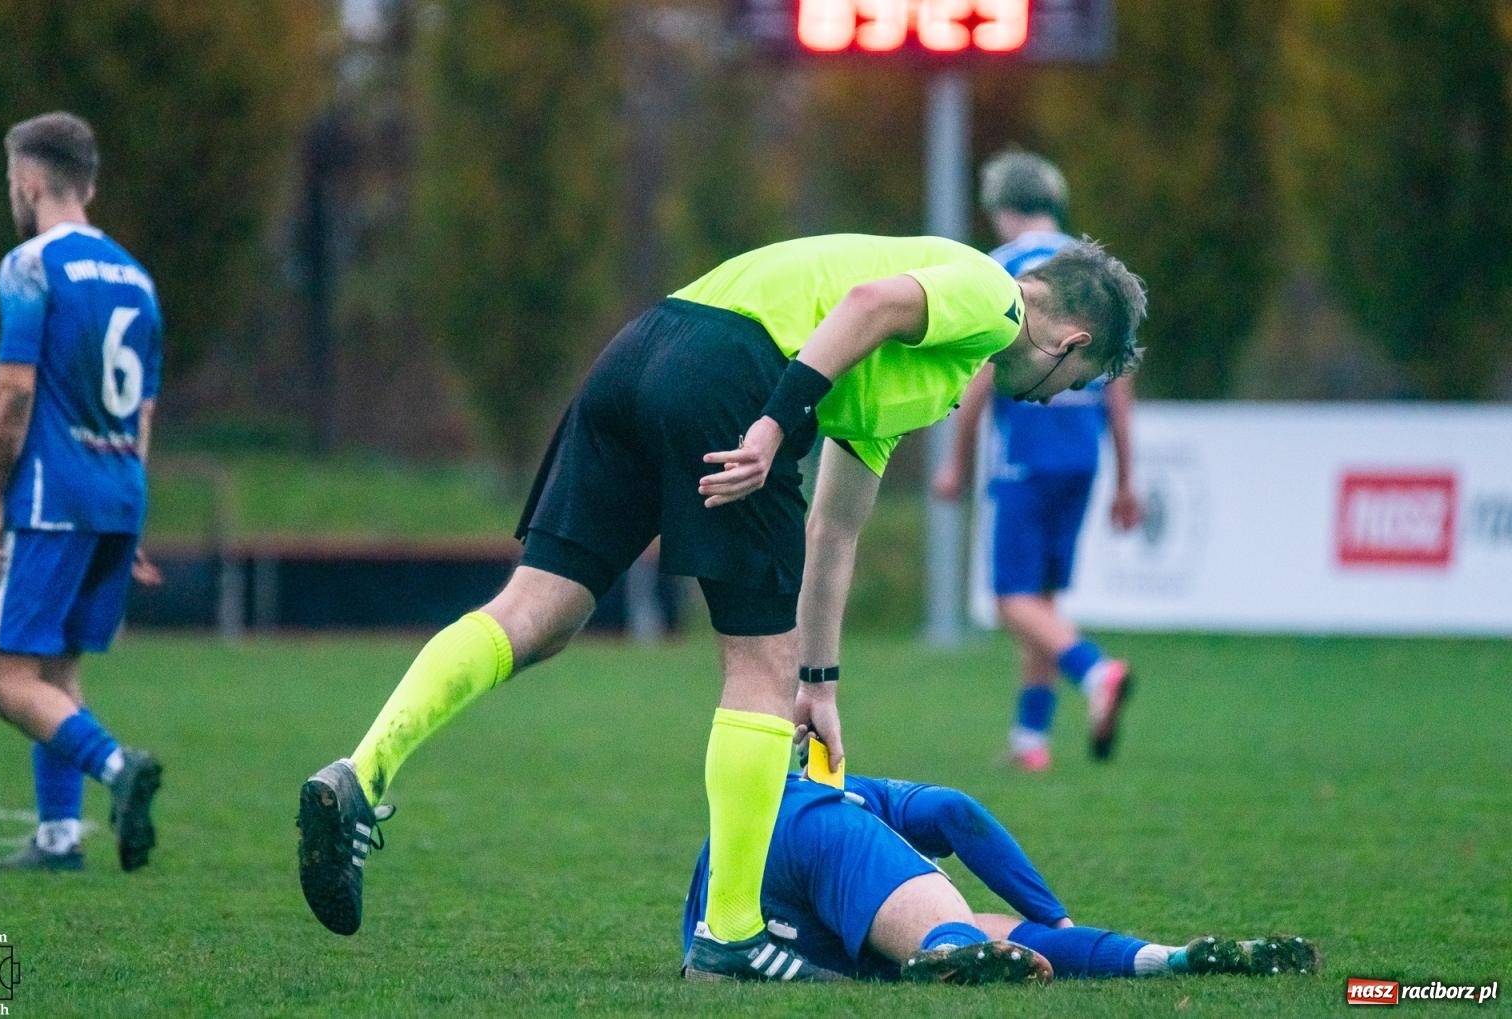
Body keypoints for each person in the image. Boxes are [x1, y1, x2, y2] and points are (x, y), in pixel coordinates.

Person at [297, 231, 1147, 981]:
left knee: (537, 613)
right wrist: (776, 424)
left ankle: (362, 772)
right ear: (1071, 341)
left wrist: (820, 683)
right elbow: (868, 304)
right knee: (754, 669)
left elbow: (835, 529)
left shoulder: (933, 374)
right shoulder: (992, 297)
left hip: (643, 349)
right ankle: (731, 934)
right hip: (738, 375)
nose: (1060, 394)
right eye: (1080, 378)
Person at [0, 112, 165, 873]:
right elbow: (143, 410)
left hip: (51, 498)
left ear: (28, 180)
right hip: (118, 496)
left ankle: (118, 767)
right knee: (58, 673)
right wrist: (132, 507)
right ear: (88, 183)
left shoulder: (30, 264)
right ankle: (59, 838)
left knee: (2, 678)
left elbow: (13, 394)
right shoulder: (137, 278)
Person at [681, 767, 1322, 984]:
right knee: (952, 932)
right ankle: (955, 956)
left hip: (736, 905)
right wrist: (1055, 914)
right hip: (815, 827)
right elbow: (955, 813)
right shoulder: (849, 799)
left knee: (979, 933)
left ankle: (1167, 961)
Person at [934, 151, 1142, 772]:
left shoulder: (1005, 270)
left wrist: (955, 459)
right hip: (1082, 448)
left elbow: (983, 368)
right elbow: (1121, 378)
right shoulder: (1097, 270)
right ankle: (1032, 740)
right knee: (1043, 600)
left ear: (1001, 208)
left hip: (1025, 444)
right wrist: (1127, 477)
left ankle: (1096, 671)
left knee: (1010, 600)